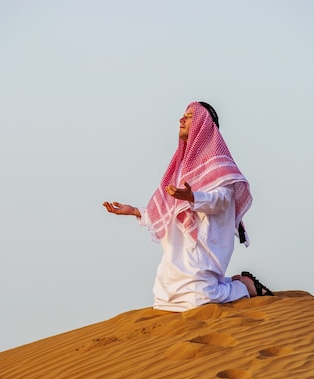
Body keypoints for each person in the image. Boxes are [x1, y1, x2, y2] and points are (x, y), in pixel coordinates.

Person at [103, 101, 272, 312]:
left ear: (203, 123)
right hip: (176, 252)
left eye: (189, 116)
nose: (181, 119)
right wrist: (135, 211)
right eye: (183, 115)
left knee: (199, 300)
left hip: (202, 246)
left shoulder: (217, 162)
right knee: (164, 301)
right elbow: (168, 209)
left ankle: (243, 286)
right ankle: (229, 284)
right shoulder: (180, 166)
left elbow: (221, 200)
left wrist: (193, 197)